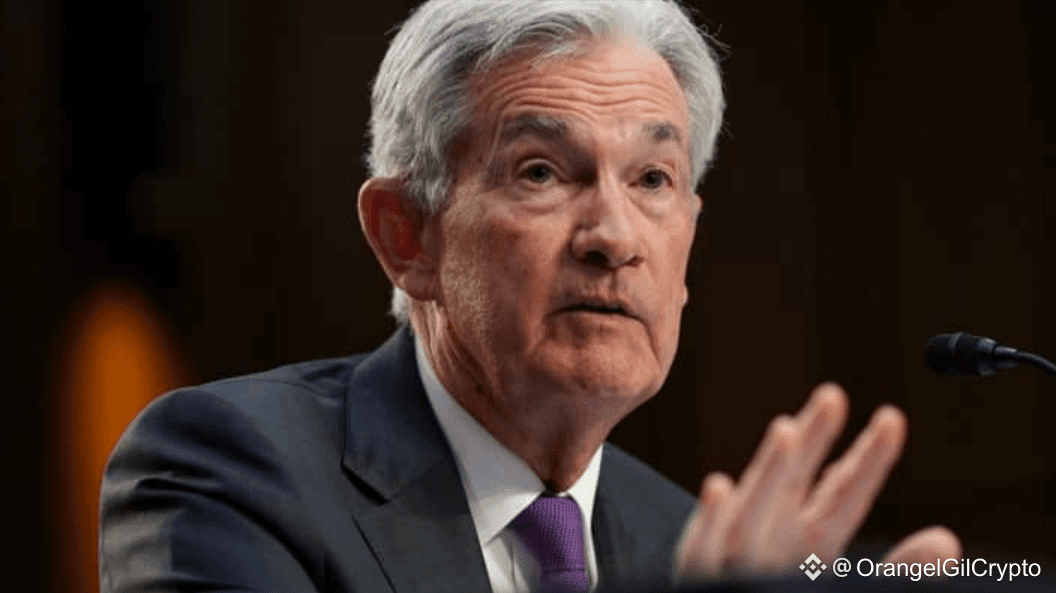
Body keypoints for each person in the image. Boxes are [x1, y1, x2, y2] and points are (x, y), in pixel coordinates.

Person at [99, 1, 961, 591]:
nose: (614, 235)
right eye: (542, 171)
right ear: (407, 235)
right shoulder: (230, 473)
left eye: (652, 179)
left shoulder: (687, 544)